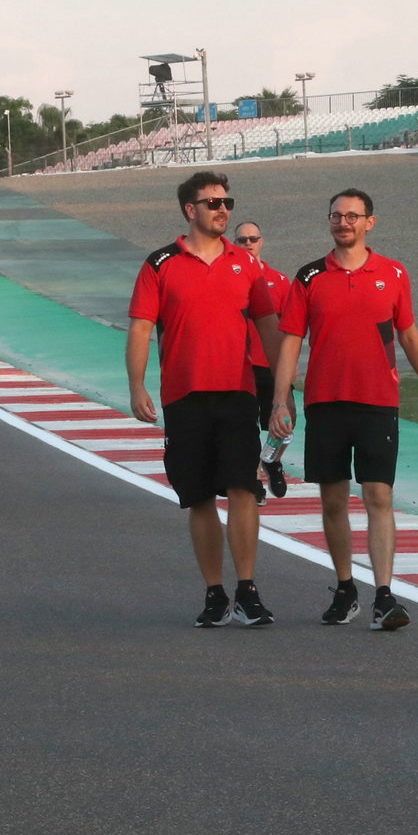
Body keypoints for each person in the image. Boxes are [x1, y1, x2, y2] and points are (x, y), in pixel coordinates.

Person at [270, 188, 418, 631]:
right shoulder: (308, 277)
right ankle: (345, 587)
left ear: (370, 222)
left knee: (378, 494)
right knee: (332, 500)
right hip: (325, 402)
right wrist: (279, 397)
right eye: (336, 216)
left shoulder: (394, 272)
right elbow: (290, 339)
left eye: (352, 216)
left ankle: (384, 596)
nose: (343, 222)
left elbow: (407, 333)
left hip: (377, 401)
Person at [127, 172, 282, 628]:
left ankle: (248, 590)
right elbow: (140, 327)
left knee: (243, 489)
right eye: (213, 202)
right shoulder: (160, 264)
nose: (223, 209)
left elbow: (270, 326)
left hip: (238, 393)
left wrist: (282, 390)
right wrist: (137, 385)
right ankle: (215, 593)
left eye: (227, 201)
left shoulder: (246, 263)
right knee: (197, 497)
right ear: (189, 209)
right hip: (184, 395)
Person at [233, 219, 293, 501]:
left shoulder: (279, 281)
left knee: (285, 421)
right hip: (239, 366)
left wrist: (288, 365)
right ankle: (254, 477)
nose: (248, 244)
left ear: (261, 241)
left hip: (271, 364)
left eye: (252, 239)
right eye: (242, 240)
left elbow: (292, 327)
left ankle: (272, 459)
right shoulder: (229, 277)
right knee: (246, 427)